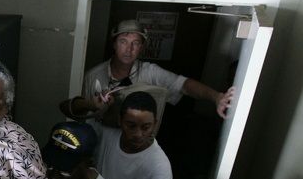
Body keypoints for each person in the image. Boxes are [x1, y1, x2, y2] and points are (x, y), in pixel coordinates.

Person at [60, 91, 173, 179]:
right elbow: (64, 108)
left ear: (155, 124)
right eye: (131, 125)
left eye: (146, 127)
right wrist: (92, 105)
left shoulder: (159, 162)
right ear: (120, 120)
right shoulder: (106, 132)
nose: (138, 134)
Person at [83, 19, 235, 119]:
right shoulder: (92, 76)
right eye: (123, 42)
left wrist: (216, 97)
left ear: (141, 47)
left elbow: (184, 85)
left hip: (134, 142)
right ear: (114, 44)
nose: (128, 49)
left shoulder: (149, 71)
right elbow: (81, 112)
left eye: (135, 43)